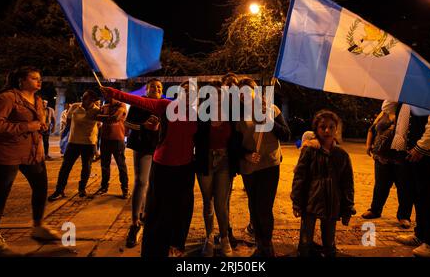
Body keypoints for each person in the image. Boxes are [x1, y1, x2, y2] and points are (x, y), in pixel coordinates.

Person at [100, 81, 197, 257]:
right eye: (185, 91)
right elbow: (138, 101)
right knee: (158, 209)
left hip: (186, 167)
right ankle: (153, 248)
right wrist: (114, 92)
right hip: (163, 165)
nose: (188, 94)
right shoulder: (166, 105)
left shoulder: (197, 115)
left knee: (182, 208)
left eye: (192, 92)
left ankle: (176, 245)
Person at [0, 67, 61, 255]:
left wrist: (41, 126)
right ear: (21, 81)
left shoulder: (38, 100)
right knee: (0, 193)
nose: (39, 82)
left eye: (39, 78)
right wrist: (27, 126)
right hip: (8, 153)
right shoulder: (8, 98)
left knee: (41, 187)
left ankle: (38, 226)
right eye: (34, 78)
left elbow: (36, 124)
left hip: (33, 153)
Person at [235, 77, 291, 257]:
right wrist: (246, 154)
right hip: (249, 167)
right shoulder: (237, 115)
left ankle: (266, 246)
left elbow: (286, 134)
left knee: (264, 207)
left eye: (246, 91)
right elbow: (233, 145)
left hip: (269, 165)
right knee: (253, 206)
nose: (243, 95)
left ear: (254, 91)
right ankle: (259, 243)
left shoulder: (271, 110)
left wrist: (270, 122)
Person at [383, 101, 430, 257]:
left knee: (429, 197)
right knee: (418, 196)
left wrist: (423, 145)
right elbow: (387, 108)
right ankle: (421, 235)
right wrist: (396, 87)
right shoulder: (410, 88)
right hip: (413, 148)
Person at [291, 110, 355, 257]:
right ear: (316, 129)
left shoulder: (342, 155)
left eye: (331, 127)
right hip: (310, 202)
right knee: (305, 241)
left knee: (329, 241)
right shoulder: (309, 150)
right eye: (323, 127)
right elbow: (299, 177)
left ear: (336, 129)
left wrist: (348, 208)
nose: (327, 130)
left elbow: (348, 184)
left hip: (332, 204)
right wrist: (296, 202)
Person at [194, 81, 241, 257]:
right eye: (213, 93)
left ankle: (224, 238)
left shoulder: (231, 114)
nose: (217, 96)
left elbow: (240, 135)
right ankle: (209, 238)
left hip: (225, 161)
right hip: (204, 160)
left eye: (220, 93)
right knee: (208, 203)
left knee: (221, 204)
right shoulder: (200, 113)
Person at [124, 78, 162, 248]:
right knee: (141, 182)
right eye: (153, 86)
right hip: (142, 146)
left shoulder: (165, 106)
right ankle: (134, 222)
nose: (156, 88)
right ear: (147, 89)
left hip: (161, 148)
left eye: (159, 87)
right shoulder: (139, 104)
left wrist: (159, 127)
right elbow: (127, 123)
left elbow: (170, 126)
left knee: (154, 183)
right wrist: (143, 126)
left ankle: (148, 214)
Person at [361, 109, 414, 229]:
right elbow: (372, 129)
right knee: (380, 186)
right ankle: (375, 210)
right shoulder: (385, 111)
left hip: (401, 158)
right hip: (381, 157)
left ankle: (404, 216)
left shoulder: (408, 111)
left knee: (404, 188)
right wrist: (368, 145)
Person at [48, 90, 105, 201]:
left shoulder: (97, 111)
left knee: (86, 167)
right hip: (73, 142)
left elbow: (100, 124)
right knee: (65, 167)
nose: (82, 100)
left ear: (93, 100)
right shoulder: (74, 107)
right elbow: (68, 122)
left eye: (86, 98)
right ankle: (59, 190)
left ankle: (82, 190)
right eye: (83, 97)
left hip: (89, 143)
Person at [94, 98, 129, 199]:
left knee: (121, 165)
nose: (110, 97)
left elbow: (116, 118)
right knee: (104, 164)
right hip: (105, 139)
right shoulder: (105, 107)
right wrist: (105, 117)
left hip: (118, 139)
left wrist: (102, 117)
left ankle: (125, 188)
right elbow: (95, 117)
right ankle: (104, 187)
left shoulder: (122, 105)